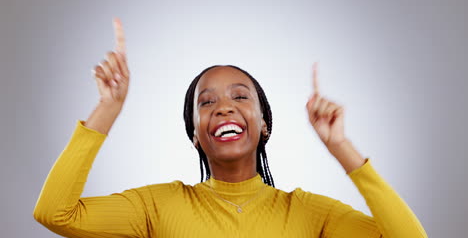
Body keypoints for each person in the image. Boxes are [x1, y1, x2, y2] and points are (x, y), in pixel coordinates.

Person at [33, 18, 428, 237]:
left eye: (240, 97)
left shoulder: (309, 213)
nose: (223, 108)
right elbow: (55, 214)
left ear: (264, 125)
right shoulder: (157, 207)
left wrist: (342, 148)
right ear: (195, 135)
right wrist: (108, 108)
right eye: (206, 103)